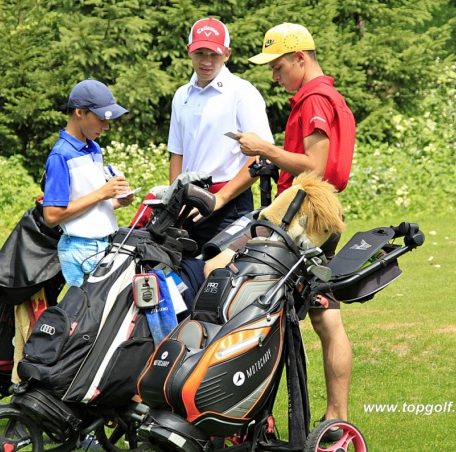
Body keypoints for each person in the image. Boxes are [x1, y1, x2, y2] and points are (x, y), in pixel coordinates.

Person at [237, 23, 356, 426]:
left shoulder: (315, 99)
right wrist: (274, 161)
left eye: (278, 66)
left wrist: (264, 148)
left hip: (305, 217)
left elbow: (316, 168)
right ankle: (333, 417)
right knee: (324, 317)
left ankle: (271, 415)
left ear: (300, 58)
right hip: (318, 214)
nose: (274, 76)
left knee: (246, 297)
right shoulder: (324, 96)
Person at [168, 17, 274, 252]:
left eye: (214, 54)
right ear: (189, 52)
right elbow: (177, 153)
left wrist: (221, 199)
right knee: (184, 274)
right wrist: (174, 200)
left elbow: (260, 155)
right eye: (200, 53)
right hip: (189, 202)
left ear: (227, 54)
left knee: (221, 279)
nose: (206, 61)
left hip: (229, 204)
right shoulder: (181, 95)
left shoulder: (243, 93)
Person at [42, 79, 133, 287]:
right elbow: (52, 215)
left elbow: (89, 204)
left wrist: (118, 200)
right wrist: (102, 193)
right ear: (80, 112)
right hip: (80, 250)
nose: (106, 126)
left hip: (103, 245)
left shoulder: (94, 149)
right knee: (87, 316)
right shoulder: (60, 155)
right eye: (102, 119)